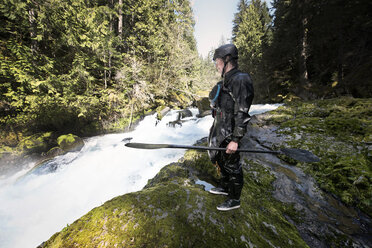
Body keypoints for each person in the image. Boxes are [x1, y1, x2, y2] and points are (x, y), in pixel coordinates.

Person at [208, 44, 254, 211]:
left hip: (231, 132)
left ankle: (234, 199)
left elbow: (242, 111)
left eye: (218, 61)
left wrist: (236, 139)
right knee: (221, 159)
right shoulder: (226, 81)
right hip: (220, 130)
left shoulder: (241, 79)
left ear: (227, 60)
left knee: (232, 164)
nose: (216, 64)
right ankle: (225, 187)